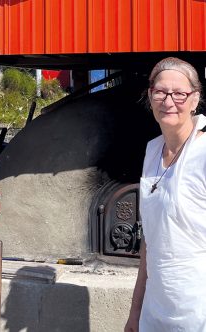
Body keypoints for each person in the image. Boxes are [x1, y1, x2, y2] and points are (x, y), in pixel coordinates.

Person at [124, 57, 206, 331]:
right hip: (154, 313)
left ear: (195, 99)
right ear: (150, 96)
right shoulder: (152, 151)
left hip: (197, 312)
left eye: (180, 93)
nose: (169, 101)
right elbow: (151, 238)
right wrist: (135, 312)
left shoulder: (204, 154)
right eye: (160, 92)